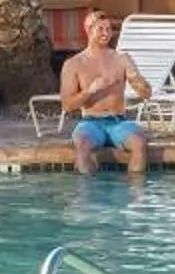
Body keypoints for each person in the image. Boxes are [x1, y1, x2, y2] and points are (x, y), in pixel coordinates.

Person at [60, 10, 152, 177]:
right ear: (88, 30)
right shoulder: (74, 64)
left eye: (109, 29)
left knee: (139, 143)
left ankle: (135, 195)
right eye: (100, 29)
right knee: (82, 145)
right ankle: (89, 195)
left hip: (119, 122)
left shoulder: (122, 59)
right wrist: (90, 90)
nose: (106, 33)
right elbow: (67, 105)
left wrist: (138, 82)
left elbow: (147, 94)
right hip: (91, 122)